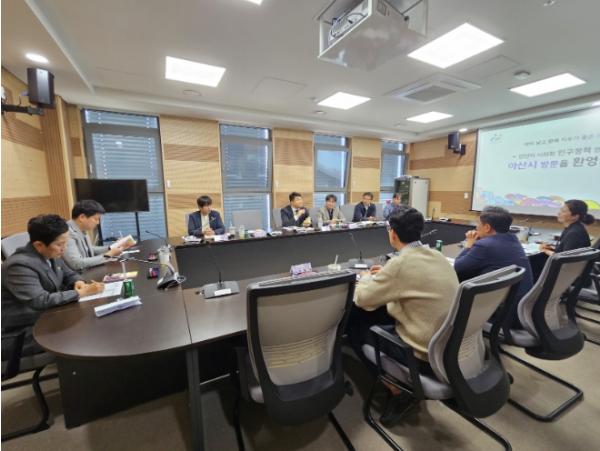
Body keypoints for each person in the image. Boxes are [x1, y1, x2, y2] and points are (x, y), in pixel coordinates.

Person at [351, 208, 458, 425]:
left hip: (422, 356)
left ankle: (398, 391)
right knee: (381, 316)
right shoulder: (436, 255)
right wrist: (387, 273)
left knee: (356, 327)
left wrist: (364, 278)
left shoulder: (400, 264)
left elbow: (363, 300)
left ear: (392, 232)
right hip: (449, 347)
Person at [1, 215, 104, 356]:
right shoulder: (18, 265)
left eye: (66, 243)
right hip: (24, 331)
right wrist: (80, 293)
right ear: (39, 245)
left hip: (49, 316)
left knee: (93, 319)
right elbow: (40, 300)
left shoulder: (50, 252)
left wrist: (78, 282)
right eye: (60, 244)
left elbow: (69, 273)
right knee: (87, 331)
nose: (64, 248)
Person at [454, 206, 533, 327]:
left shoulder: (485, 246)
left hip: (501, 313)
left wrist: (469, 245)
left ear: (487, 227)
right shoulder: (513, 239)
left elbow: (458, 267)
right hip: (520, 309)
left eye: (478, 224)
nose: (476, 227)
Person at [63, 200, 131, 271]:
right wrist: (108, 255)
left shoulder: (82, 229)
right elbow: (76, 263)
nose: (98, 223)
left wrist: (112, 247)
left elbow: (89, 249)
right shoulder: (67, 232)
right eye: (96, 219)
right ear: (82, 217)